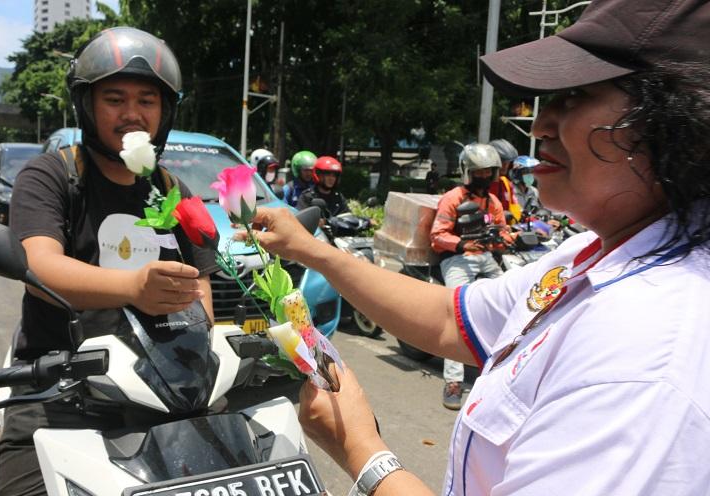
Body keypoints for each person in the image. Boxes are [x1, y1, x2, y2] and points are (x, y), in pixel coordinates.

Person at [243, 0, 710, 493]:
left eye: (576, 96)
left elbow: (501, 233)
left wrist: (362, 451)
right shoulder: (590, 256)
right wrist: (310, 248)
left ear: (676, 123)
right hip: (459, 260)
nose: (540, 125)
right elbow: (451, 318)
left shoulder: (645, 351)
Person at [1, 27, 217, 496]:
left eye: (147, 101)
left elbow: (199, 287)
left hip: (162, 389)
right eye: (115, 100)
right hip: (60, 388)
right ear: (87, 106)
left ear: (165, 112)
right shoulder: (51, 175)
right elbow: (40, 268)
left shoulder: (173, 190)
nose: (132, 114)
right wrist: (134, 288)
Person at [429, 143, 510, 410]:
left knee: (512, 302)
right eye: (479, 172)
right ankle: (453, 381)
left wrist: (506, 238)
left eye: (488, 171)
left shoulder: (493, 202)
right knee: (458, 314)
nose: (484, 176)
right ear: (468, 172)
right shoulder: (452, 198)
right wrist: (462, 244)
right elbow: (437, 235)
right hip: (457, 259)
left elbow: (502, 230)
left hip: (486, 258)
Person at [488, 138, 522, 222]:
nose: (505, 166)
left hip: (507, 228)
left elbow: (515, 207)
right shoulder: (483, 184)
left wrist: (525, 215)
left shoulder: (506, 183)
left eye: (507, 162)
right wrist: (499, 216)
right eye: (502, 162)